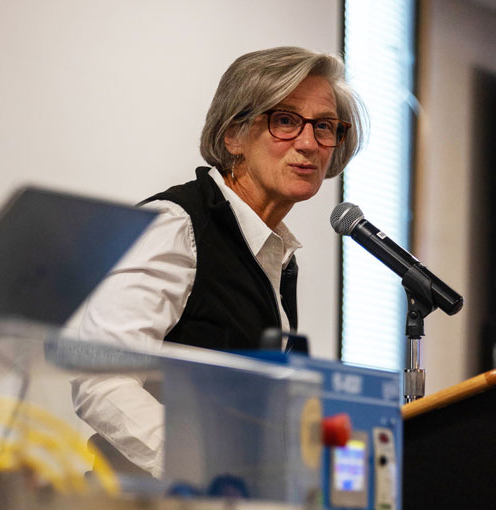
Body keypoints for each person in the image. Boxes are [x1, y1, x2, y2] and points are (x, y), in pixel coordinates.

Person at [70, 46, 366, 480]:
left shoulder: (272, 252)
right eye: (285, 121)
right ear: (234, 136)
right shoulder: (174, 226)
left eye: (323, 126)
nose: (308, 143)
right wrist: (202, 466)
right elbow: (100, 378)